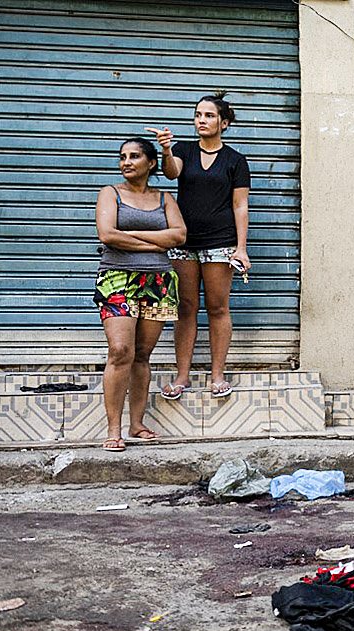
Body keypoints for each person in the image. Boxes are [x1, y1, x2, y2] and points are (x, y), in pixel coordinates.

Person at [147, 91, 251, 400]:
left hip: (220, 243)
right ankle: (183, 377)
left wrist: (241, 248)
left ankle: (217, 375)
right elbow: (171, 172)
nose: (201, 120)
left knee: (218, 308)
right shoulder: (183, 150)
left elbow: (240, 205)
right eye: (198, 115)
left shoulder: (235, 160)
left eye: (208, 115)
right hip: (184, 241)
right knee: (186, 309)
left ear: (224, 123)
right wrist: (165, 149)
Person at [94, 138, 187, 452]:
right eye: (122, 157)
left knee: (142, 355)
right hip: (117, 278)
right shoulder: (111, 193)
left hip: (158, 282)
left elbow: (179, 235)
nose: (126, 162)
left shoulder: (164, 198)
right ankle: (113, 429)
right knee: (121, 350)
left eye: (134, 156)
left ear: (151, 163)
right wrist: (155, 243)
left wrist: (130, 236)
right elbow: (107, 234)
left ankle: (136, 424)